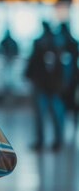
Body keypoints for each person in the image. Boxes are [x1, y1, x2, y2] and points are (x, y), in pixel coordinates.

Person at [25, 22, 66, 151]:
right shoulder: (58, 43)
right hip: (53, 86)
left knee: (42, 115)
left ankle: (42, 142)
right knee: (55, 114)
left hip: (42, 85)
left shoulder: (40, 43)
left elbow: (33, 63)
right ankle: (57, 141)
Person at [58, 23, 79, 128]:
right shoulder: (73, 43)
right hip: (72, 80)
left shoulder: (63, 44)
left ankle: (65, 127)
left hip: (67, 81)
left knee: (66, 105)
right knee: (73, 105)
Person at [0, 29, 19, 100]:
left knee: (9, 77)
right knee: (7, 77)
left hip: (9, 60)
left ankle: (9, 89)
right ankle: (8, 89)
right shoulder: (11, 41)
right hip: (8, 60)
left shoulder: (5, 41)